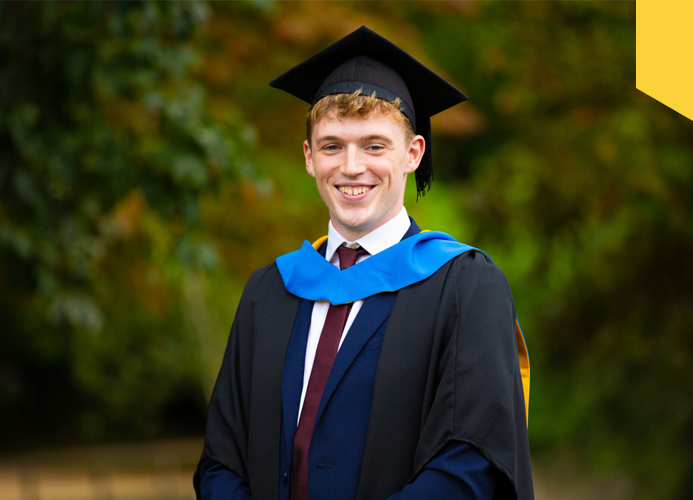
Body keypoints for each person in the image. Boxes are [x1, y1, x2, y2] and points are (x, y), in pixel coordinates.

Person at [194, 26, 533, 500]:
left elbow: (473, 462)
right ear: (310, 158)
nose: (352, 166)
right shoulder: (270, 291)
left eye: (375, 145)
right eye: (333, 145)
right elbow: (221, 459)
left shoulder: (464, 286)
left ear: (413, 153)